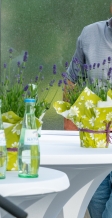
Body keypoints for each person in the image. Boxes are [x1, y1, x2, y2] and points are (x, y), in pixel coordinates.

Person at [66, 17, 112, 218]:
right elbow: (71, 80)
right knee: (97, 207)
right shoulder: (90, 34)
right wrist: (70, 127)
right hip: (94, 142)